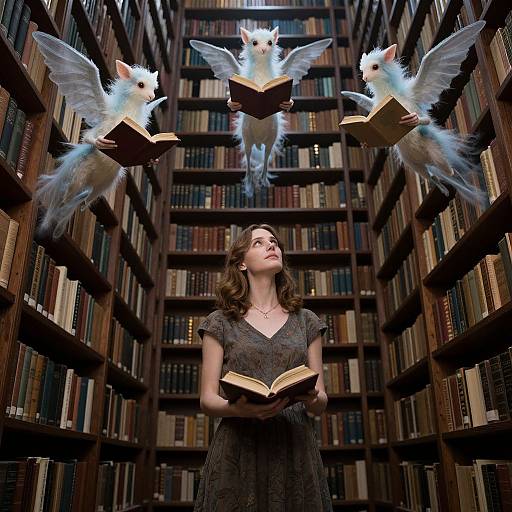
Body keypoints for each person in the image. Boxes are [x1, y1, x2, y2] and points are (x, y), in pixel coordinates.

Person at [193, 223, 332, 511]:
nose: (272, 246)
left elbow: (320, 403)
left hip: (294, 445)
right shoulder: (219, 322)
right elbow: (207, 399)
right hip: (238, 446)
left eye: (274, 242)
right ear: (241, 263)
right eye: (258, 243)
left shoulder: (307, 320)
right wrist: (237, 410)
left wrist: (313, 397)